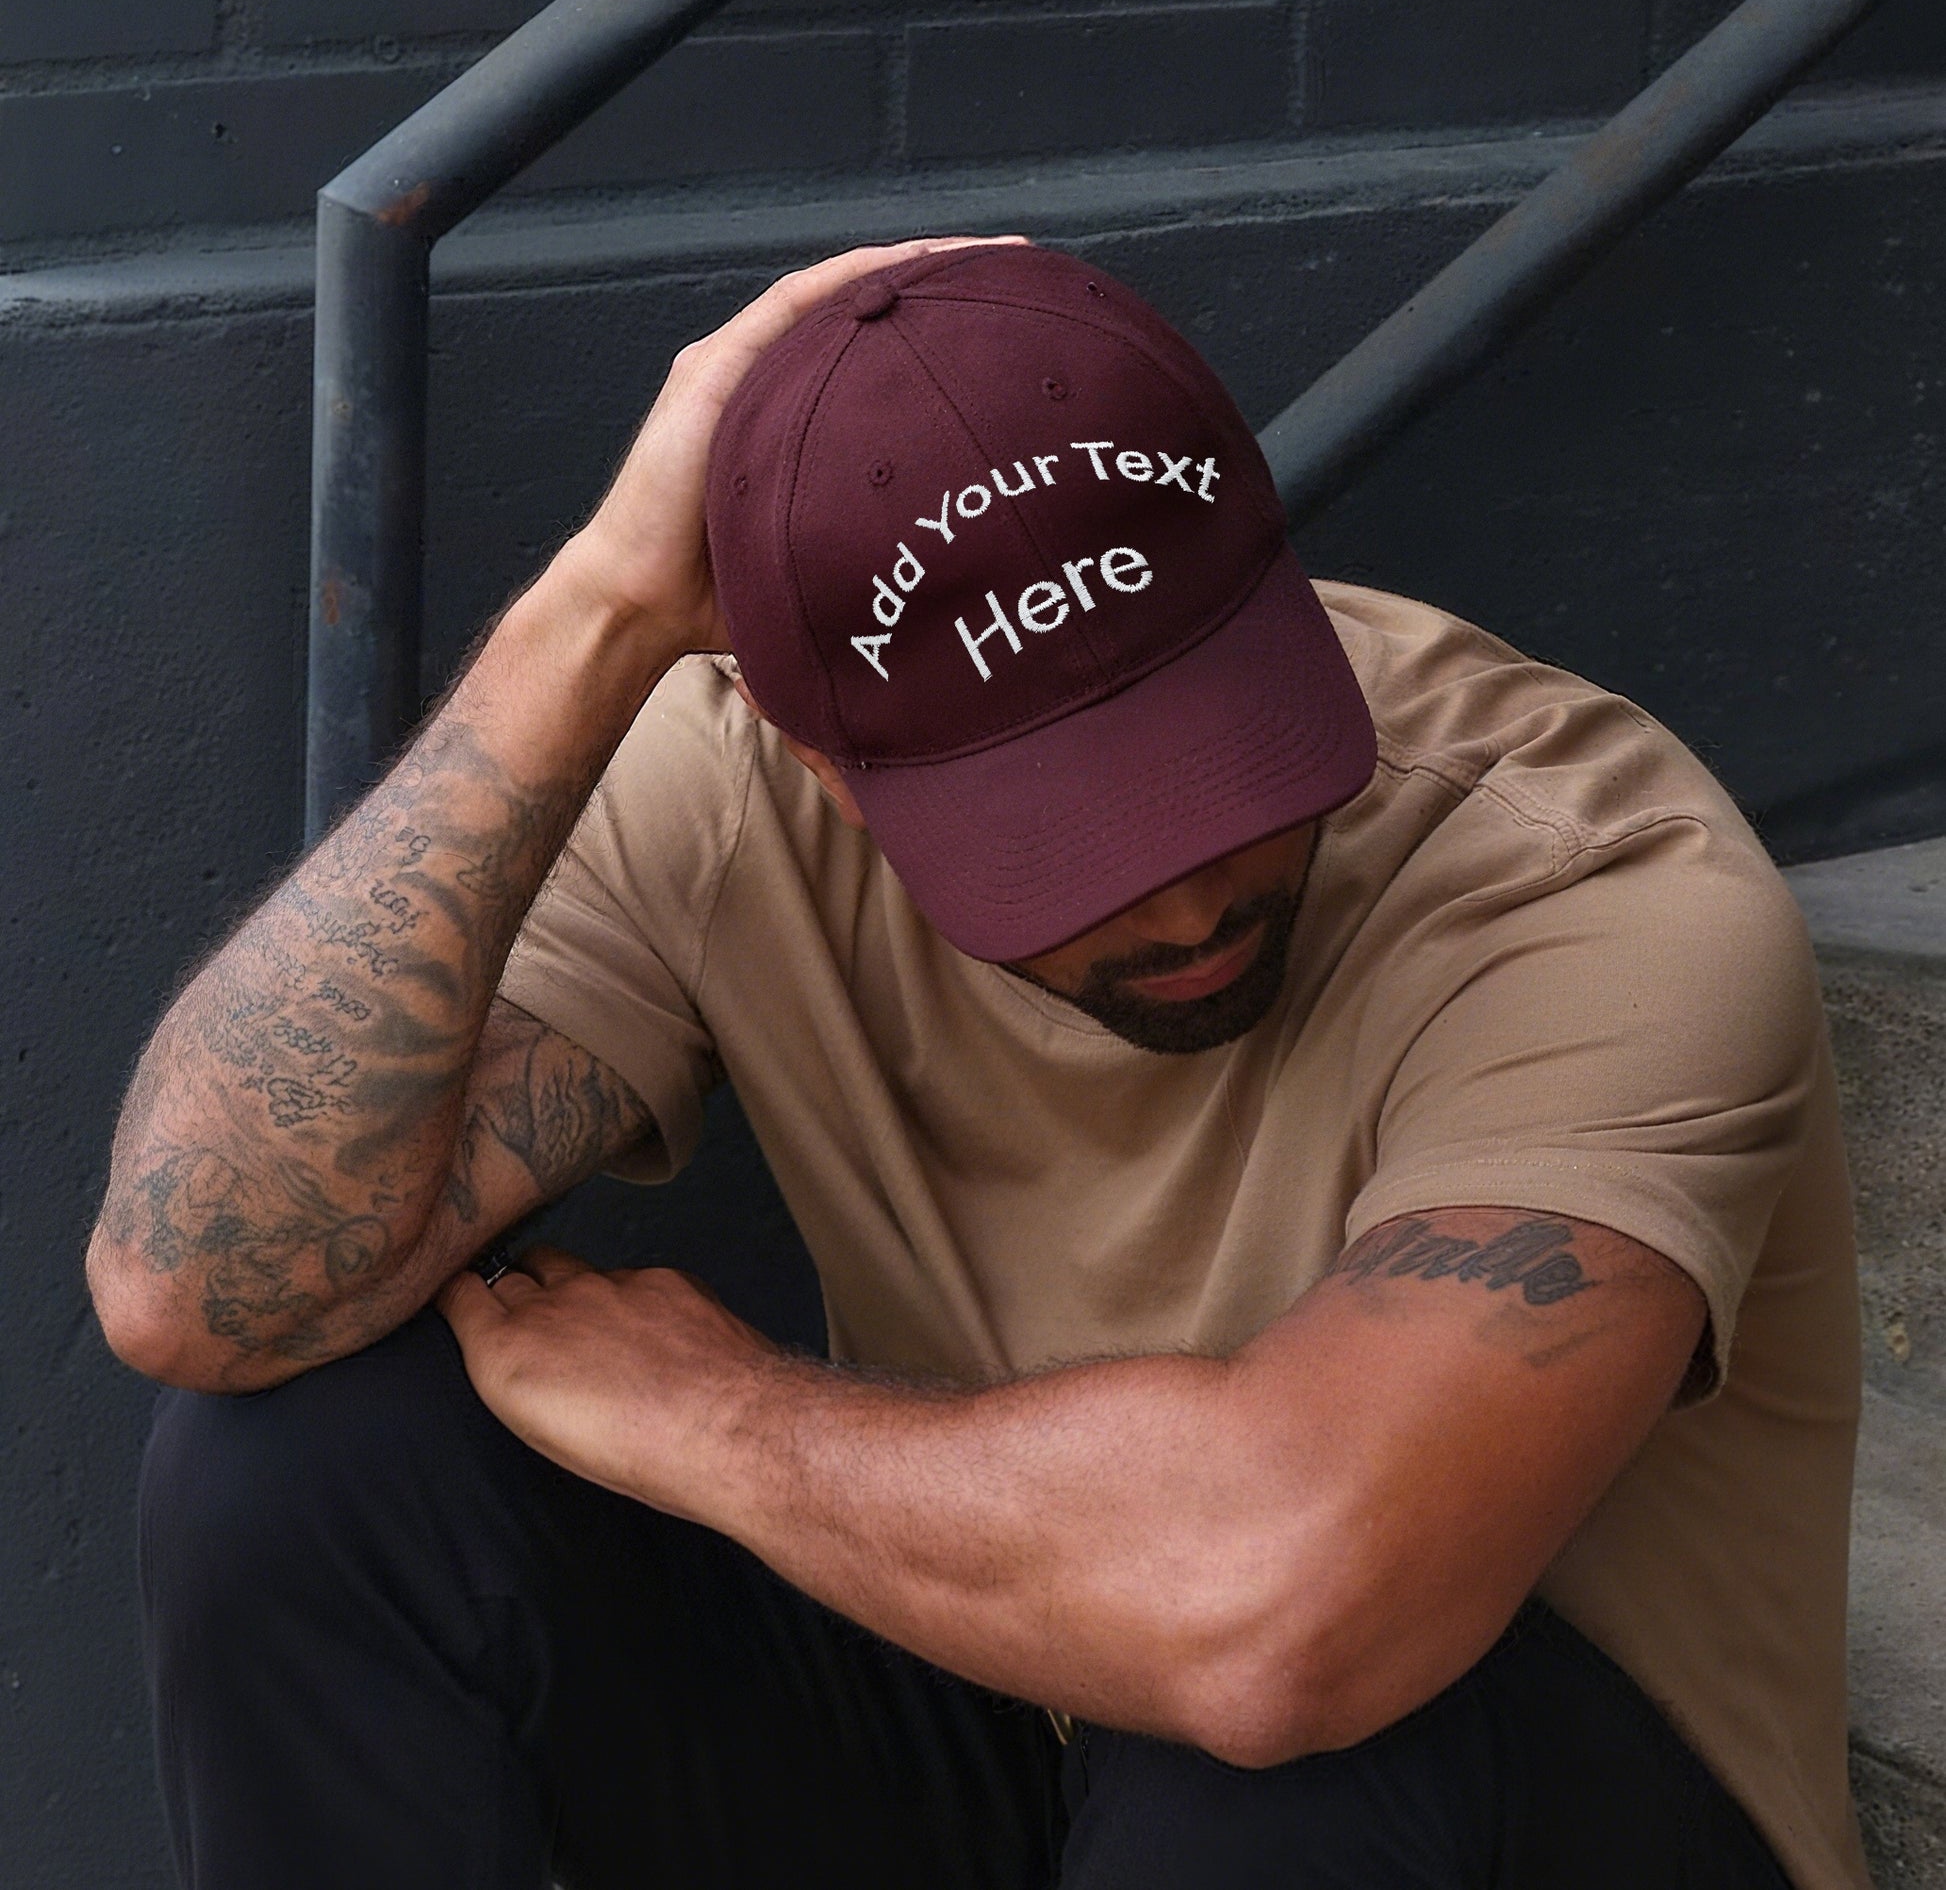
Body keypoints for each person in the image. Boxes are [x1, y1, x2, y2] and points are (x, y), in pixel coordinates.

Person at [91, 237, 1866, 1890]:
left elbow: (1282, 1613)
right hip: (1032, 1709)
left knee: (1272, 1751)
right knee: (300, 1475)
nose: (1185, 899)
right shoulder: (730, 789)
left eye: (1221, 758)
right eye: (1062, 839)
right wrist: (598, 615)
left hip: (1515, 1788)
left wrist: (715, 1415)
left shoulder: (1598, 879)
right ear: (817, 759)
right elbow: (196, 1284)